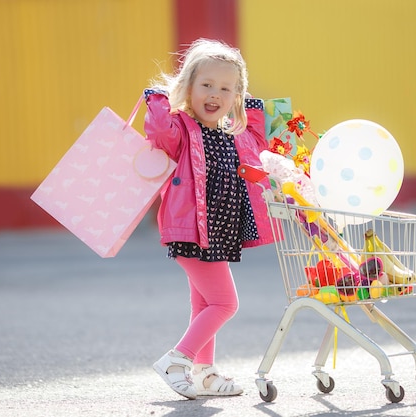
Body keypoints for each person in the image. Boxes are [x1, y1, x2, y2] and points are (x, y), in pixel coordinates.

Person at [142, 38, 275, 400]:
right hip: (189, 230)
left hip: (219, 231)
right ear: (188, 87)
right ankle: (177, 361)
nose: (215, 94)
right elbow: (158, 134)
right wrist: (157, 101)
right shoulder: (182, 128)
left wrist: (254, 108)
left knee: (204, 304)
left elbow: (259, 144)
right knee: (225, 304)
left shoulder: (232, 132)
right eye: (206, 85)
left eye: (226, 88)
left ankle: (204, 371)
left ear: (236, 96)